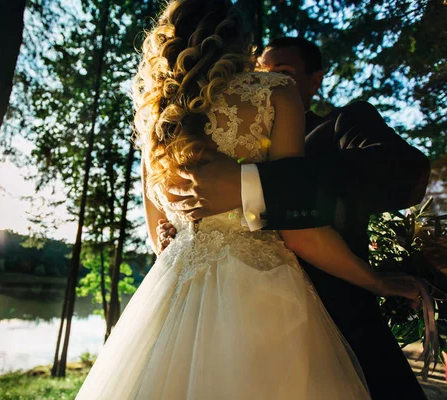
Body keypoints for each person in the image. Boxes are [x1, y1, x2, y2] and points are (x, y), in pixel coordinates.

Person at [75, 2, 420, 399]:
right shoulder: (274, 96)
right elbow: (297, 231)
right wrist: (375, 279)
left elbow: (160, 237)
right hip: (262, 290)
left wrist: (249, 187)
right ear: (242, 44)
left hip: (175, 291)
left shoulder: (157, 117)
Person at [158, 37, 431, 399]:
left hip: (343, 321)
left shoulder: (343, 123)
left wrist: (259, 185)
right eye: (261, 72)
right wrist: (180, 224)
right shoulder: (225, 129)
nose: (267, 80)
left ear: (314, 80)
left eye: (282, 72)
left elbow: (408, 176)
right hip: (233, 319)